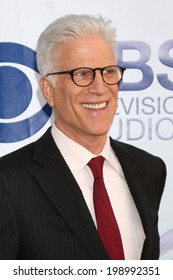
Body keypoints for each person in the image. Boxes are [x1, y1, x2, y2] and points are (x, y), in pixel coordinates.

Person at [0, 14, 166, 260]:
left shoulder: (149, 169)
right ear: (49, 90)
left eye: (108, 71)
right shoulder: (8, 181)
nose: (99, 88)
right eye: (82, 73)